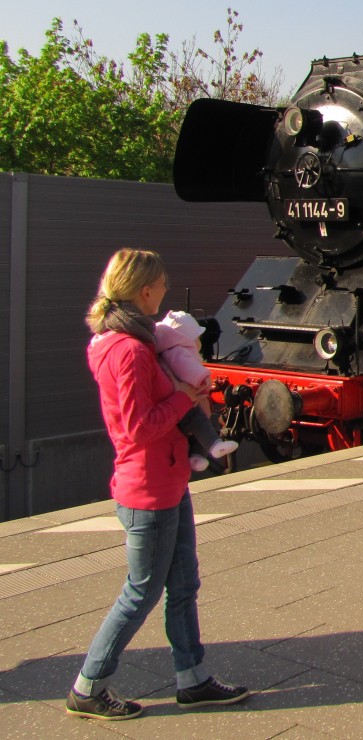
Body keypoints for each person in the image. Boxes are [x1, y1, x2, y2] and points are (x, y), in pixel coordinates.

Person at [67, 249, 249, 721]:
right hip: (147, 488)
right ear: (145, 291)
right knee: (141, 592)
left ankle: (193, 680)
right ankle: (88, 686)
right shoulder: (126, 350)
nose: (166, 292)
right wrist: (186, 398)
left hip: (166, 479)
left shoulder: (137, 340)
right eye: (163, 285)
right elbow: (136, 426)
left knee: (184, 583)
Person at [154, 310, 239, 471]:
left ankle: (197, 457)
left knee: (199, 427)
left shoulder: (166, 351)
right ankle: (214, 445)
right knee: (199, 422)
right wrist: (204, 379)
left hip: (178, 399)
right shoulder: (178, 352)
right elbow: (190, 370)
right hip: (186, 401)